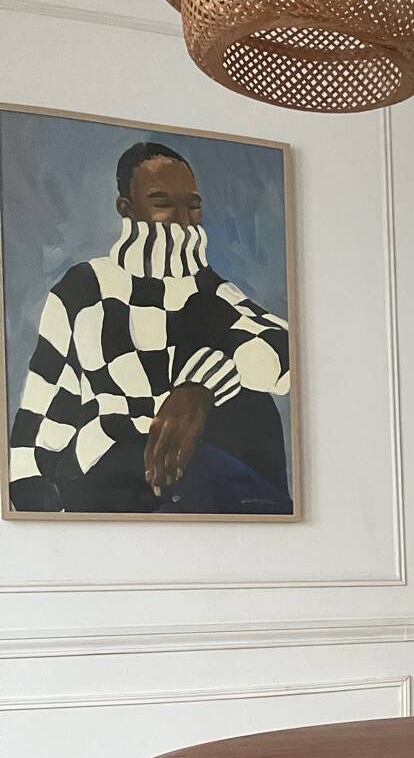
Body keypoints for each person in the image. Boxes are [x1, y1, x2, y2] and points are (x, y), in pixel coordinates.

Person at [7, 141, 292, 514]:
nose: (182, 219)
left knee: (253, 411)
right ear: (126, 208)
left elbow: (286, 348)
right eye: (162, 203)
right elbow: (44, 410)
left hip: (200, 478)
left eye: (192, 205)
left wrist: (201, 385)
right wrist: (33, 506)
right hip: (107, 479)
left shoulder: (212, 292)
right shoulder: (85, 288)